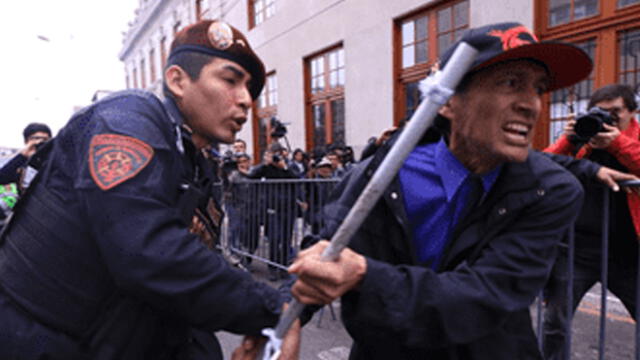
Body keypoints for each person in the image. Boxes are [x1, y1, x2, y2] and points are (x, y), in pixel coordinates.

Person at [287, 22, 637, 359]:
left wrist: (365, 275)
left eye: (538, 88)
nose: (531, 104)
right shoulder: (383, 173)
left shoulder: (550, 190)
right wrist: (280, 321)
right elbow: (322, 252)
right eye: (511, 83)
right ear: (448, 102)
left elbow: (484, 297)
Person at [0, 20, 299, 359]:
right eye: (230, 80)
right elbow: (147, 251)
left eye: (251, 90)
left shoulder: (196, 164)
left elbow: (188, 271)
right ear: (177, 80)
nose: (246, 100)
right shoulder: (127, 119)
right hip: (41, 340)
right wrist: (270, 309)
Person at [542, 84, 640, 359]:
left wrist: (617, 142)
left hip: (628, 252)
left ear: (633, 112)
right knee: (555, 321)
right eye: (600, 113)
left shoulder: (635, 138)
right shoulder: (583, 139)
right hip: (576, 250)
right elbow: (541, 165)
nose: (606, 120)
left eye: (615, 113)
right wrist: (570, 140)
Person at [248, 143, 301, 280]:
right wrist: (265, 164)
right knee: (274, 238)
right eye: (273, 154)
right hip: (272, 207)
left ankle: (283, 267)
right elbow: (252, 176)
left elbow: (298, 179)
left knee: (285, 238)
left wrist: (284, 168)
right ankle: (272, 267)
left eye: (278, 153)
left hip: (289, 207)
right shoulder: (267, 167)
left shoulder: (290, 165)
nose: (277, 156)